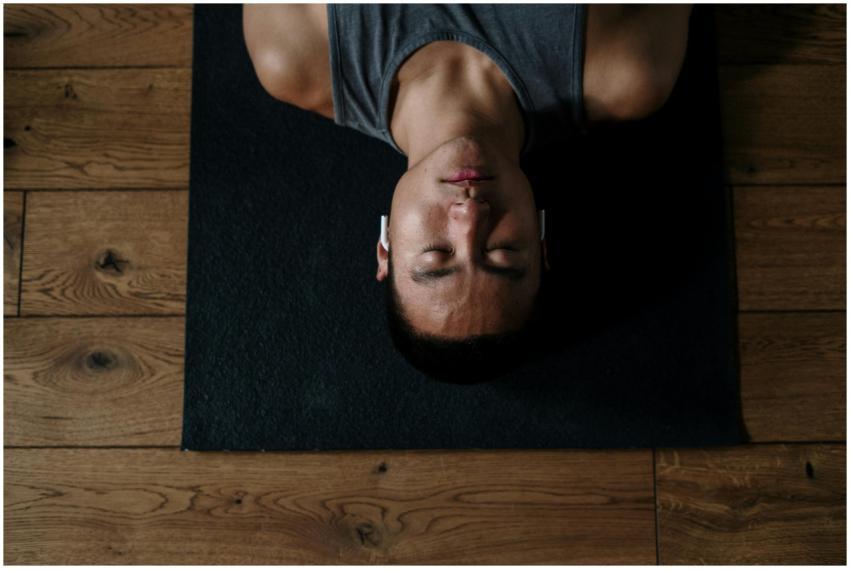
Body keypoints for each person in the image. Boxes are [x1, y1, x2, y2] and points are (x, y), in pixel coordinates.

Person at [243, 4, 693, 381]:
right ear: (540, 245)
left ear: (386, 248)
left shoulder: (298, 56)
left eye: (438, 252)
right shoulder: (625, 69)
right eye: (501, 250)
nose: (470, 215)